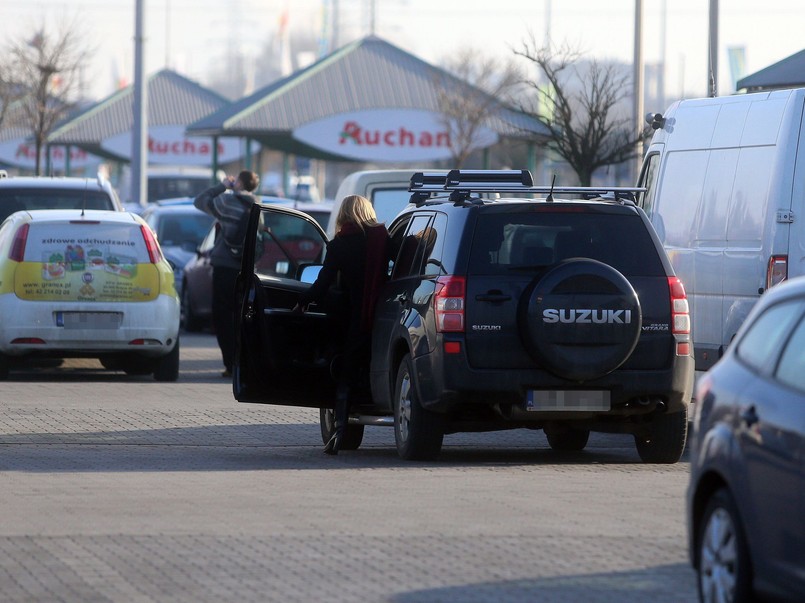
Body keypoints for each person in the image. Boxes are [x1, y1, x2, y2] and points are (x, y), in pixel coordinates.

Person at [293, 195, 389, 455]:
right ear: (367, 212)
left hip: (355, 320)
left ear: (343, 215)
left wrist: (302, 302)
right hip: (388, 317)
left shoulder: (339, 245)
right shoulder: (382, 238)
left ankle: (340, 431)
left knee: (345, 374)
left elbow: (322, 284)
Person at [194, 170, 259, 377]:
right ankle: (243, 362)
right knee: (242, 317)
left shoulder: (227, 202)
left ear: (239, 183)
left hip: (224, 267)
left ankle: (230, 364)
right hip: (244, 268)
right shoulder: (258, 207)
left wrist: (223, 186)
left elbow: (200, 201)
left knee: (222, 316)